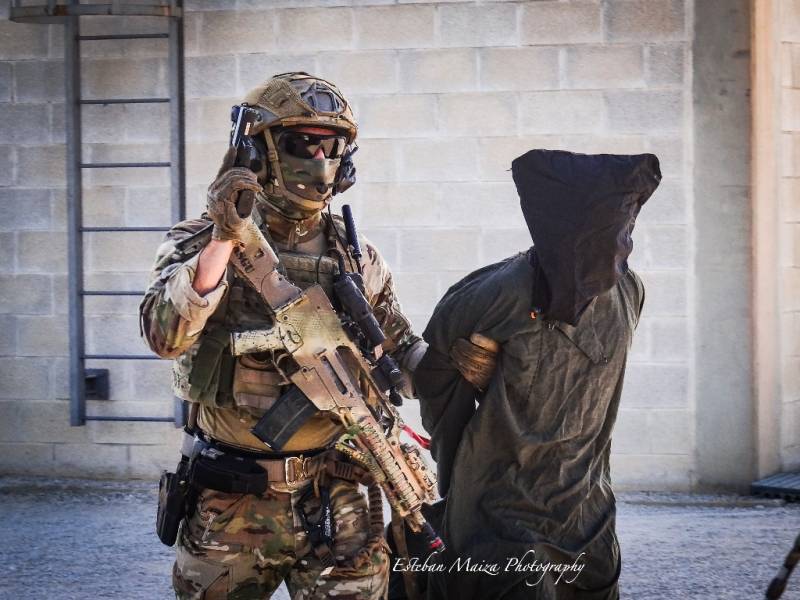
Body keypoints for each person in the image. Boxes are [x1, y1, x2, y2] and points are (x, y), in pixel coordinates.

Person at [139, 72, 427, 600]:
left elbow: (403, 356)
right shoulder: (199, 241)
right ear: (260, 150)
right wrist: (224, 241)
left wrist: (472, 356)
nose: (319, 158)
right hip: (231, 499)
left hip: (340, 494)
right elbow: (165, 337)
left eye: (331, 144)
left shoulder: (357, 258)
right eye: (302, 142)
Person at [411, 149, 661, 600]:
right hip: (499, 510)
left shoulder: (628, 291)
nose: (616, 238)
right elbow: (436, 382)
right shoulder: (495, 294)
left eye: (623, 221)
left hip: (587, 508)